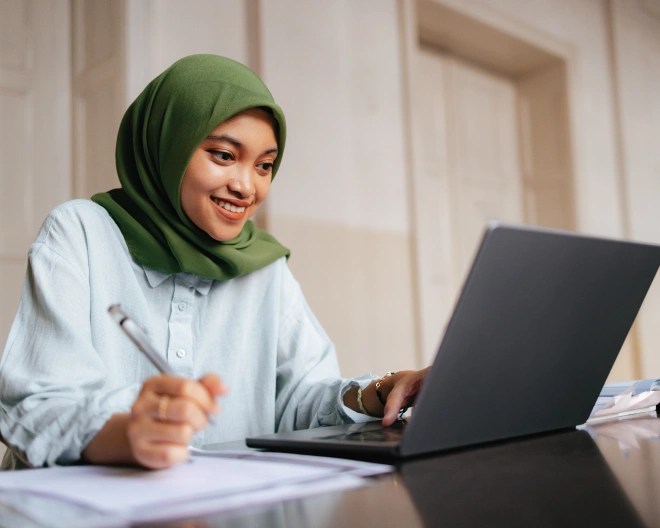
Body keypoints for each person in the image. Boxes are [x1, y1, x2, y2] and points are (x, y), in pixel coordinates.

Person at [0, 54, 428, 470]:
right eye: (224, 155)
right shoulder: (81, 232)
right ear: (168, 145)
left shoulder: (263, 265)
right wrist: (128, 433)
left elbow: (300, 403)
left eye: (264, 165)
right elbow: (36, 405)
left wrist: (381, 390)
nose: (247, 186)